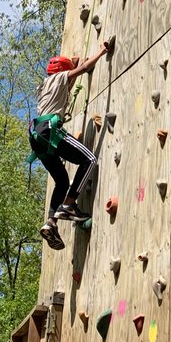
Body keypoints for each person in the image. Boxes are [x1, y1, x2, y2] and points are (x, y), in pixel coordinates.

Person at [30, 40, 112, 250]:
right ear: (64, 72)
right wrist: (101, 51)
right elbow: (82, 68)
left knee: (61, 181)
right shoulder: (60, 78)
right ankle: (68, 205)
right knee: (90, 160)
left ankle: (51, 222)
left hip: (36, 135)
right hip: (50, 129)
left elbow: (74, 67)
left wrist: (73, 62)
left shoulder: (45, 85)